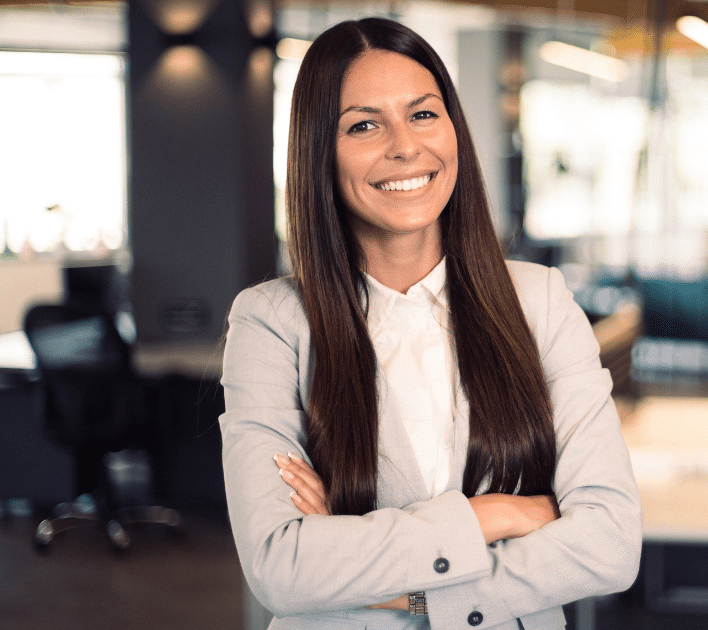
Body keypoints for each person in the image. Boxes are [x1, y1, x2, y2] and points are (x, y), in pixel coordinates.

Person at [219, 18, 642, 630]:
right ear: (319, 153)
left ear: (454, 131)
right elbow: (279, 568)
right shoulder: (271, 324)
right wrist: (496, 518)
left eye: (423, 114)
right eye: (364, 124)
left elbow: (609, 544)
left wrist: (390, 580)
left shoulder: (540, 302)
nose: (405, 146)